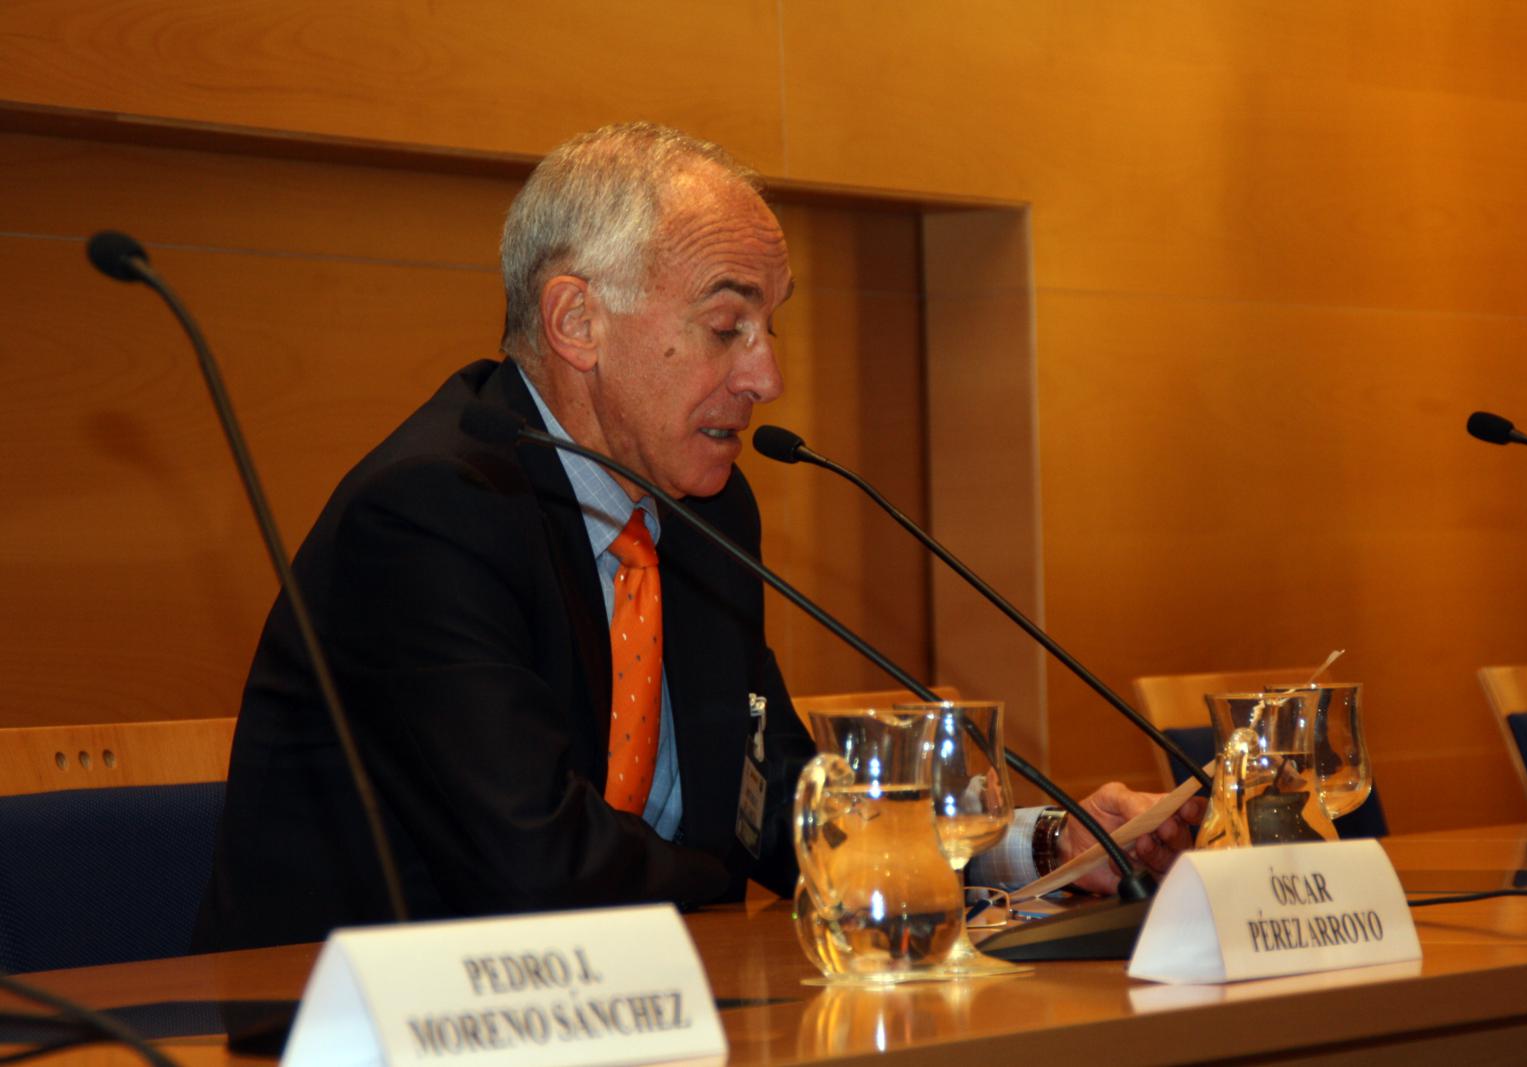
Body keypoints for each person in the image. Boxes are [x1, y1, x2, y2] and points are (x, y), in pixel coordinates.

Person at [193, 122, 1196, 952]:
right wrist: (721, 873)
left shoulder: (703, 508)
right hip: (369, 1030)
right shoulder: (430, 513)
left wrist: (1037, 842)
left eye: (770, 327)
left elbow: (780, 805)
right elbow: (535, 863)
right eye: (727, 327)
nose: (767, 378)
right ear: (577, 321)